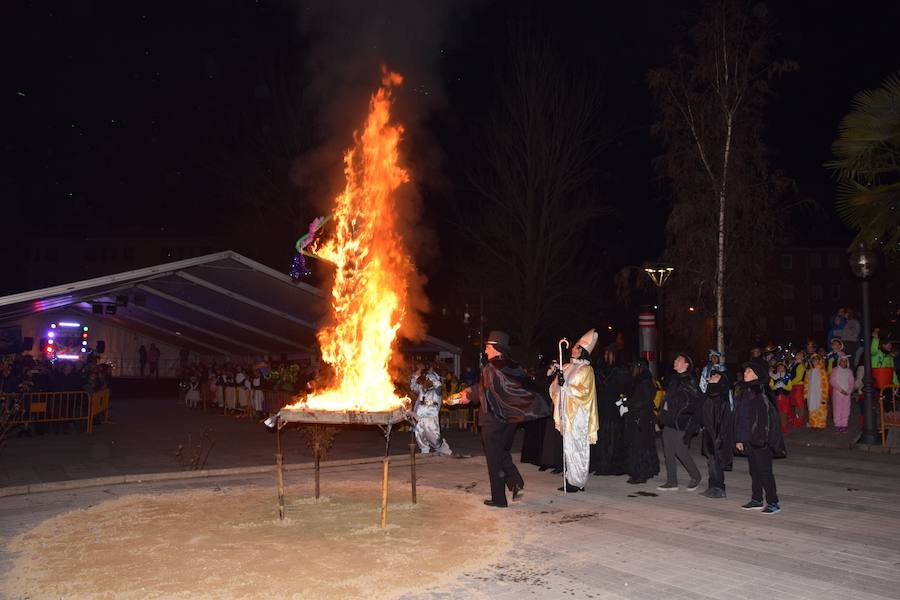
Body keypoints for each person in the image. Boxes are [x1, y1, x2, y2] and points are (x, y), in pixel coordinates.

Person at [454, 331, 551, 507]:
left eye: (488, 347)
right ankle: (515, 483)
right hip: (509, 420)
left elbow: (485, 391)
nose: (485, 350)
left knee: (494, 459)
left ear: (497, 349)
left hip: (492, 420)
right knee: (501, 453)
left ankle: (499, 499)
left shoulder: (491, 368)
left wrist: (469, 396)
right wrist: (470, 391)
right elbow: (491, 387)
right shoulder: (513, 367)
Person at [548, 329, 599, 493]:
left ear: (583, 351)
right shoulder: (568, 366)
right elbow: (554, 390)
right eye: (575, 346)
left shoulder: (587, 370)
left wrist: (566, 386)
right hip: (566, 413)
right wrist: (557, 381)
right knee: (568, 447)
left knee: (578, 447)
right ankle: (571, 479)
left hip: (578, 415)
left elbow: (585, 392)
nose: (573, 349)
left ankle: (578, 481)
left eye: (577, 347)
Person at [735, 360, 786, 514]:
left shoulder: (761, 391)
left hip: (761, 440)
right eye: (745, 371)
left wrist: (763, 439)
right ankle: (757, 499)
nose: (745, 373)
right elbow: (742, 417)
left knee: (765, 471)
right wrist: (740, 438)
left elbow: (769, 418)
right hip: (749, 438)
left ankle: (773, 502)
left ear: (757, 375)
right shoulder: (745, 391)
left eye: (749, 371)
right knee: (754, 470)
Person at [657, 353, 703, 491]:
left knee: (681, 451)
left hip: (681, 422)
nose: (675, 361)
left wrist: (688, 421)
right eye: (675, 359)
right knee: (668, 452)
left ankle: (696, 476)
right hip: (669, 421)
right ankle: (672, 482)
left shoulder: (690, 381)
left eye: (679, 360)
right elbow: (668, 400)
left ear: (686, 364)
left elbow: (695, 404)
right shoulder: (674, 379)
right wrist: (662, 415)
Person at [591, 344, 628, 477]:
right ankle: (602, 464)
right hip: (602, 407)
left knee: (613, 436)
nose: (607, 356)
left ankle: (612, 465)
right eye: (605, 353)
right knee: (603, 437)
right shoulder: (600, 369)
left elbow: (624, 389)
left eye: (609, 353)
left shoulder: (620, 370)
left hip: (613, 408)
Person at [623, 358, 660, 485]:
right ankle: (641, 471)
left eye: (634, 367)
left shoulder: (645, 381)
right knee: (639, 445)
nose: (632, 369)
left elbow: (645, 400)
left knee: (640, 446)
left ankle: (641, 474)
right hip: (638, 417)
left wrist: (630, 403)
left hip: (642, 418)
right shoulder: (639, 380)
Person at [700, 370, 733, 498]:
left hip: (718, 436)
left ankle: (719, 488)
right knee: (711, 463)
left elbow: (723, 421)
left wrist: (718, 439)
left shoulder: (720, 398)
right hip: (710, 434)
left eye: (716, 375)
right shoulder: (709, 395)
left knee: (716, 463)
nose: (712, 376)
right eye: (712, 375)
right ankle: (712, 486)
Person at [409, 363, 452, 455]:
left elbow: (438, 386)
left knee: (434, 439)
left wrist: (431, 378)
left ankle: (441, 450)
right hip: (419, 416)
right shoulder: (421, 387)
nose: (426, 381)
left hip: (430, 417)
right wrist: (415, 376)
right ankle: (424, 455)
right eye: (426, 379)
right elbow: (413, 387)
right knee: (420, 438)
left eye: (428, 379)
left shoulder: (437, 390)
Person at [829, 353, 854, 433]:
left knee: (846, 409)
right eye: (842, 361)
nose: (843, 362)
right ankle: (837, 425)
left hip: (847, 394)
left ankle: (844, 425)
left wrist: (849, 391)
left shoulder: (849, 371)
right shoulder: (835, 370)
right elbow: (832, 381)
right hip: (838, 393)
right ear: (839, 362)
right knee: (837, 409)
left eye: (845, 361)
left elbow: (851, 382)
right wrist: (840, 390)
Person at [805, 354, 829, 429]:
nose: (815, 362)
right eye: (813, 360)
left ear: (819, 361)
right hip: (811, 394)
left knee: (820, 408)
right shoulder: (809, 372)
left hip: (820, 393)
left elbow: (825, 384)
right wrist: (806, 395)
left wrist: (824, 396)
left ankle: (821, 424)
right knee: (812, 408)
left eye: (816, 360)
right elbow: (806, 384)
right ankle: (813, 423)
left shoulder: (822, 372)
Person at [769, 362, 792, 434]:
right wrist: (775, 386)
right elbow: (770, 387)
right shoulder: (773, 377)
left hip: (785, 397)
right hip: (776, 397)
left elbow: (790, 388)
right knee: (777, 413)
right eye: (778, 367)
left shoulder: (787, 377)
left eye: (782, 367)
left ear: (785, 369)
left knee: (784, 413)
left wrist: (783, 386)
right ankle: (778, 428)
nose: (780, 368)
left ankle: (784, 428)